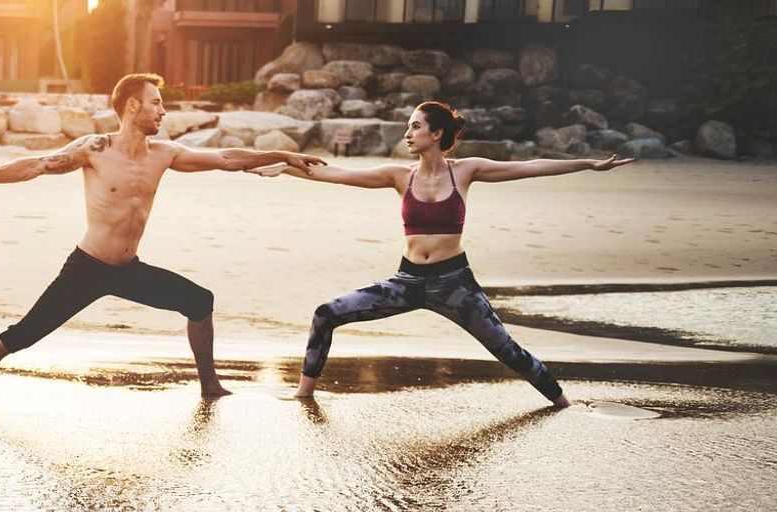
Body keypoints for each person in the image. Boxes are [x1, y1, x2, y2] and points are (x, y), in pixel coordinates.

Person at [0, 73, 326, 402]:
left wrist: (283, 157)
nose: (163, 110)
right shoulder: (94, 150)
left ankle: (210, 386)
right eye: (156, 102)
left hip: (127, 270)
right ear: (132, 106)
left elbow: (226, 159)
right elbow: (36, 165)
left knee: (199, 301)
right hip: (86, 268)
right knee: (25, 334)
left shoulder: (164, 153)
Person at [248, 101, 633, 407]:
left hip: (455, 286)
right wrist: (284, 168)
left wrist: (589, 164)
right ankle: (303, 394)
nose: (408, 133)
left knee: (507, 350)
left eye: (415, 126)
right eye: (409, 126)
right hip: (407, 282)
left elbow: (531, 167)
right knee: (326, 314)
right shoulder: (399, 176)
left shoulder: (465, 171)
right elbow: (334, 173)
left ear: (436, 133)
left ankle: (565, 403)